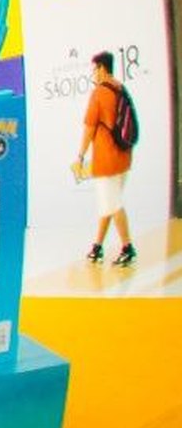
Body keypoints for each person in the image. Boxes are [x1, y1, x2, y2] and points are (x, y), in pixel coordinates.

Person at [76, 51, 138, 267]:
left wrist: (80, 155)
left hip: (107, 160)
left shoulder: (99, 93)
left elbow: (89, 128)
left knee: (112, 204)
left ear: (102, 68)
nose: (93, 73)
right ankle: (97, 247)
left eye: (94, 69)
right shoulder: (120, 87)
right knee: (109, 203)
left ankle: (127, 248)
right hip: (124, 157)